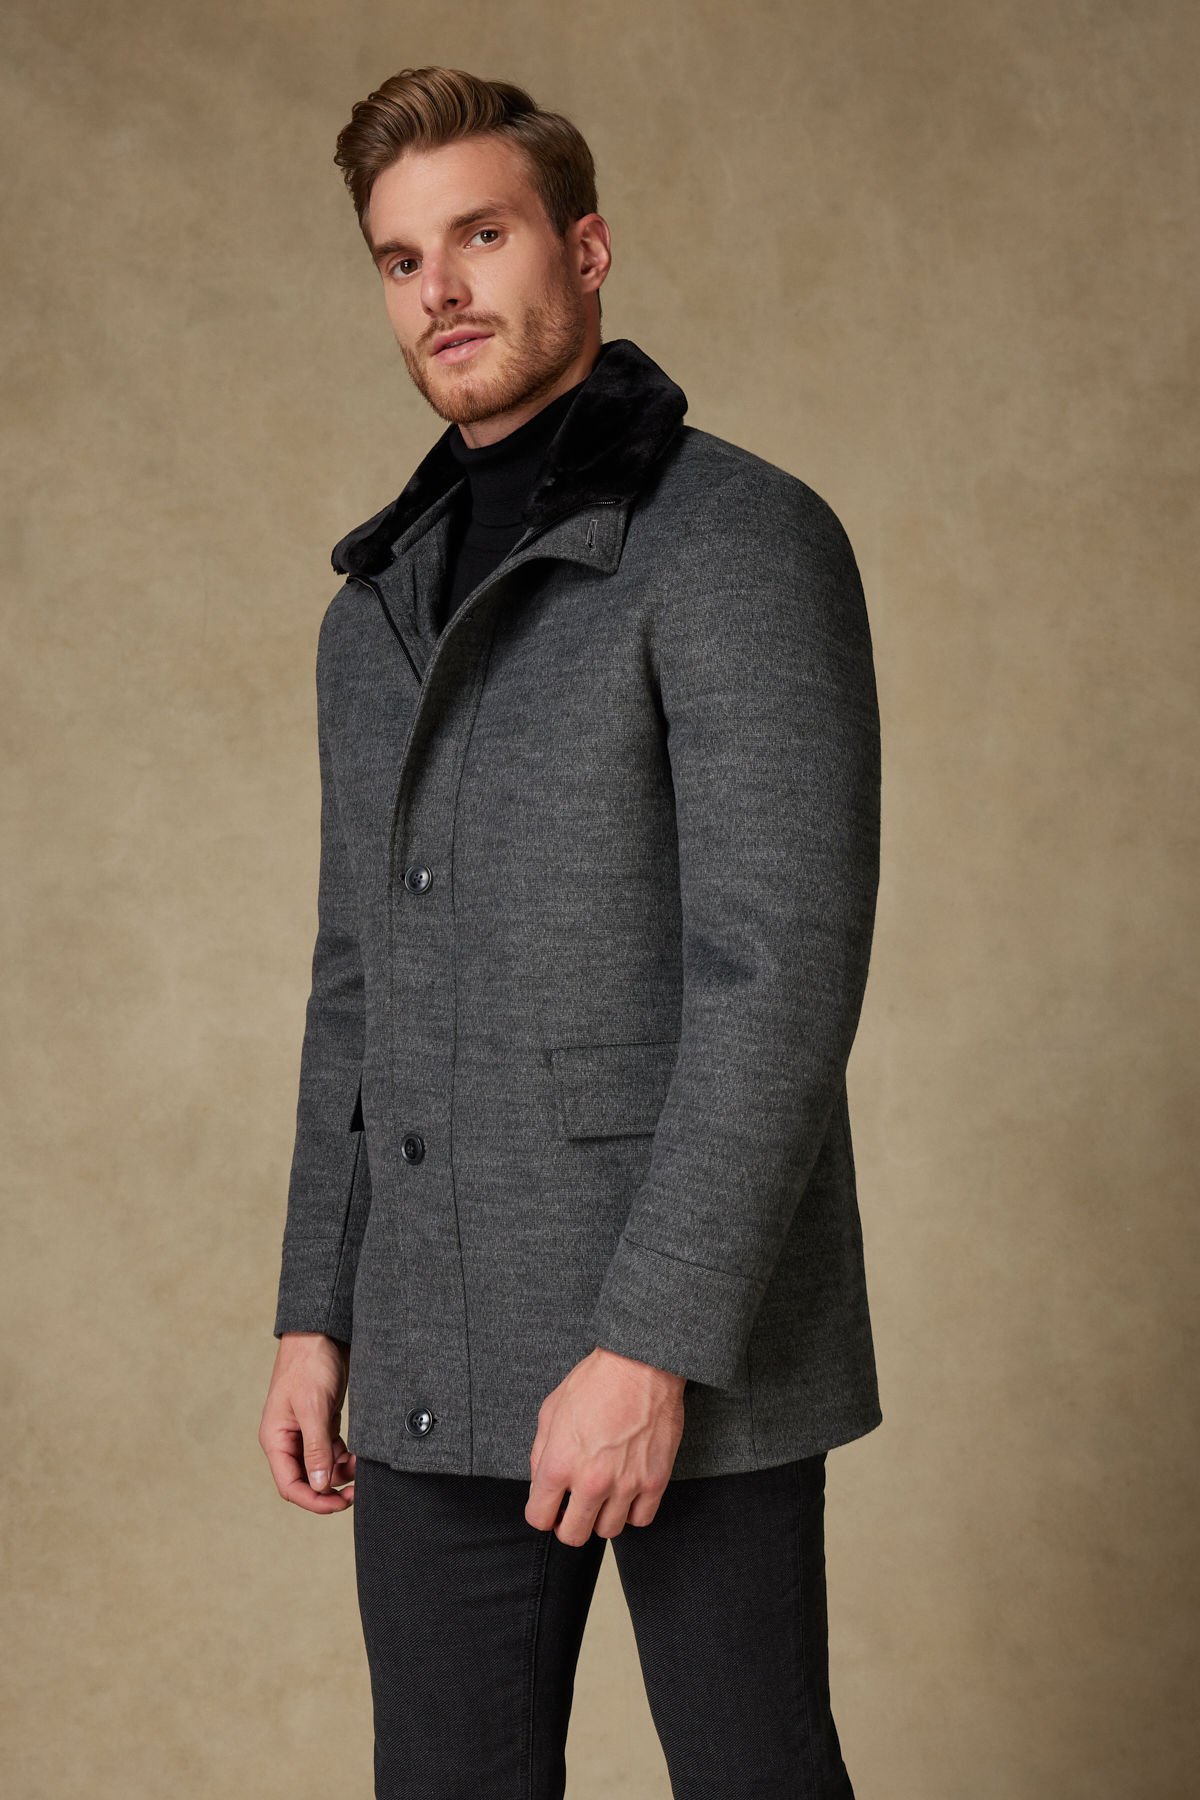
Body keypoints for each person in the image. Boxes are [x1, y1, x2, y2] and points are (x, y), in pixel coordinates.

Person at [259, 63, 880, 1800]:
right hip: (433, 1337)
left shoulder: (740, 540)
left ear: (584, 250)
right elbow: (356, 980)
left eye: (481, 235)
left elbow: (779, 974)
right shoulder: (373, 612)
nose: (439, 290)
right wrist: (317, 1309)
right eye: (401, 259)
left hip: (694, 1344)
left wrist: (651, 1346)